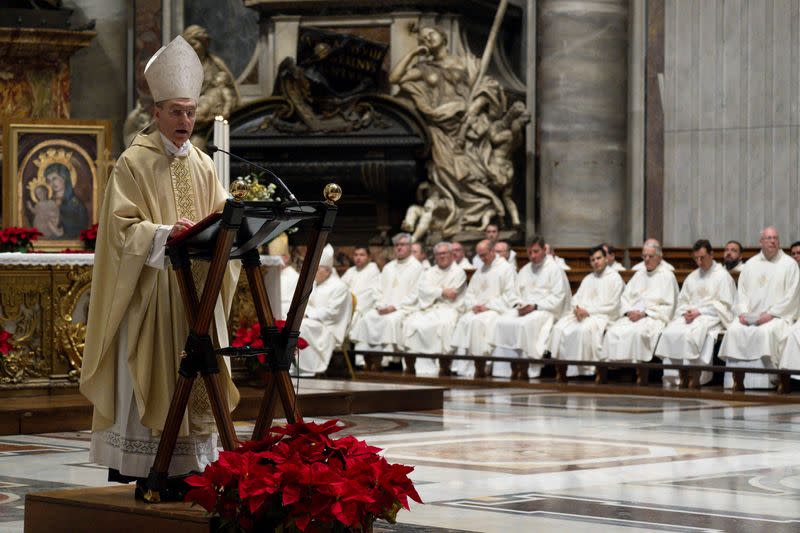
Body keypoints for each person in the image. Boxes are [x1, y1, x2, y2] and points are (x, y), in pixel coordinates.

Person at [80, 36, 240, 487]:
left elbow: (222, 216)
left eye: (191, 112)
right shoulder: (133, 163)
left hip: (196, 294)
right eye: (176, 112)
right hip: (155, 294)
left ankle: (190, 466)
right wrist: (165, 234)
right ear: (157, 113)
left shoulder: (206, 165)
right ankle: (151, 464)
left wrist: (238, 221)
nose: (186, 121)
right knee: (155, 373)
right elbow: (120, 231)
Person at [719, 226, 800, 388]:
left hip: (777, 316)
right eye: (768, 238)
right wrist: (742, 313)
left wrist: (770, 315)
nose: (772, 241)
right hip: (751, 316)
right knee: (734, 329)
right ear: (761, 242)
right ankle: (737, 381)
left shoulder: (789, 264)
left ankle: (770, 382)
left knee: (766, 332)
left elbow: (791, 296)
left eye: (775, 238)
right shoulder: (750, 264)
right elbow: (741, 293)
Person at [655, 240, 736, 386]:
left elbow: (725, 306)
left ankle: (695, 376)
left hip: (711, 316)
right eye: (696, 258)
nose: (699, 262)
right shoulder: (692, 277)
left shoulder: (722, 276)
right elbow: (682, 302)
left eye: (702, 258)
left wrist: (700, 311)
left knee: (692, 334)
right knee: (671, 332)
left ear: (711, 255)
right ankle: (679, 376)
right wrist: (686, 312)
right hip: (690, 315)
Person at [491, 236, 571, 378]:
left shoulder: (555, 270)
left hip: (546, 310)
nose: (532, 256)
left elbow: (558, 297)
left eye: (536, 251)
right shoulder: (525, 270)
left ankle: (526, 369)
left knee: (525, 324)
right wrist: (519, 304)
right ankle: (504, 370)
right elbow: (515, 293)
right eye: (529, 253)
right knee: (502, 321)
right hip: (525, 308)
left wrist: (534, 306)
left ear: (544, 250)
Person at [550, 245, 624, 376]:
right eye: (592, 259)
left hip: (603, 316)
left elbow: (614, 305)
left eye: (598, 258)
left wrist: (589, 312)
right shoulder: (588, 278)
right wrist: (577, 309)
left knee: (583, 330)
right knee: (559, 328)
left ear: (606, 259)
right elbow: (575, 299)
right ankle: (562, 369)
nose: (596, 262)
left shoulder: (615, 278)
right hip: (582, 315)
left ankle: (585, 369)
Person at [601, 240, 678, 362]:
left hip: (653, 318)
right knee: (613, 332)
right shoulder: (639, 274)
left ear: (659, 257)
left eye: (650, 256)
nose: (646, 259)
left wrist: (644, 313)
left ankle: (639, 370)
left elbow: (669, 306)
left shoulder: (667, 276)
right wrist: (628, 311)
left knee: (638, 333)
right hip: (633, 315)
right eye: (644, 256)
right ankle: (616, 370)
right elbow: (625, 298)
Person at [349, 233, 424, 356]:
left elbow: (416, 293)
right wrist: (380, 305)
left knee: (391, 320)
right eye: (396, 245)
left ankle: (387, 359)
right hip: (383, 308)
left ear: (410, 247)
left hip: (404, 309)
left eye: (403, 245)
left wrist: (395, 307)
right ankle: (364, 359)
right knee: (367, 318)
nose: (399, 248)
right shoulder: (388, 267)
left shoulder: (417, 267)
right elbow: (377, 290)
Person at [451, 239, 517, 376]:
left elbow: (510, 296)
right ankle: (464, 367)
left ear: (493, 251)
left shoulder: (506, 268)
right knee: (464, 320)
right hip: (478, 310)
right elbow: (470, 294)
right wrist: (473, 305)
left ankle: (482, 365)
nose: (482, 259)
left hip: (496, 310)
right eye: (479, 256)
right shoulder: (481, 269)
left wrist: (488, 306)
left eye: (484, 255)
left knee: (479, 322)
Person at [402, 242, 467, 376]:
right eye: (438, 254)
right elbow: (423, 290)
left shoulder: (459, 272)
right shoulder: (429, 272)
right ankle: (411, 367)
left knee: (444, 325)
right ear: (434, 256)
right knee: (410, 323)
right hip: (430, 308)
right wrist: (442, 292)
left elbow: (453, 294)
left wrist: (434, 292)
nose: (441, 256)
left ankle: (444, 365)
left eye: (444, 253)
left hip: (449, 309)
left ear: (451, 255)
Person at [296, 245, 352, 376]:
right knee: (293, 322)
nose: (313, 273)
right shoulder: (315, 284)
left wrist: (308, 315)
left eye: (316, 269)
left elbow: (333, 313)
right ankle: (294, 365)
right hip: (316, 322)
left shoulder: (340, 287)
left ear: (327, 270)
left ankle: (307, 368)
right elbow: (306, 303)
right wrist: (304, 313)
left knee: (302, 326)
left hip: (330, 326)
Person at [340, 246, 381, 333]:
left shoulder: (373, 270)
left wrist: (354, 304)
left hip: (361, 306)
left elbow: (371, 292)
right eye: (356, 255)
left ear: (369, 257)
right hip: (347, 304)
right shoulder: (351, 271)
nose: (358, 258)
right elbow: (340, 287)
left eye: (362, 255)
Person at [268, 233, 299, 320]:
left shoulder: (295, 277)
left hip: (287, 313)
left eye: (276, 258)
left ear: (286, 258)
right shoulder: (269, 275)